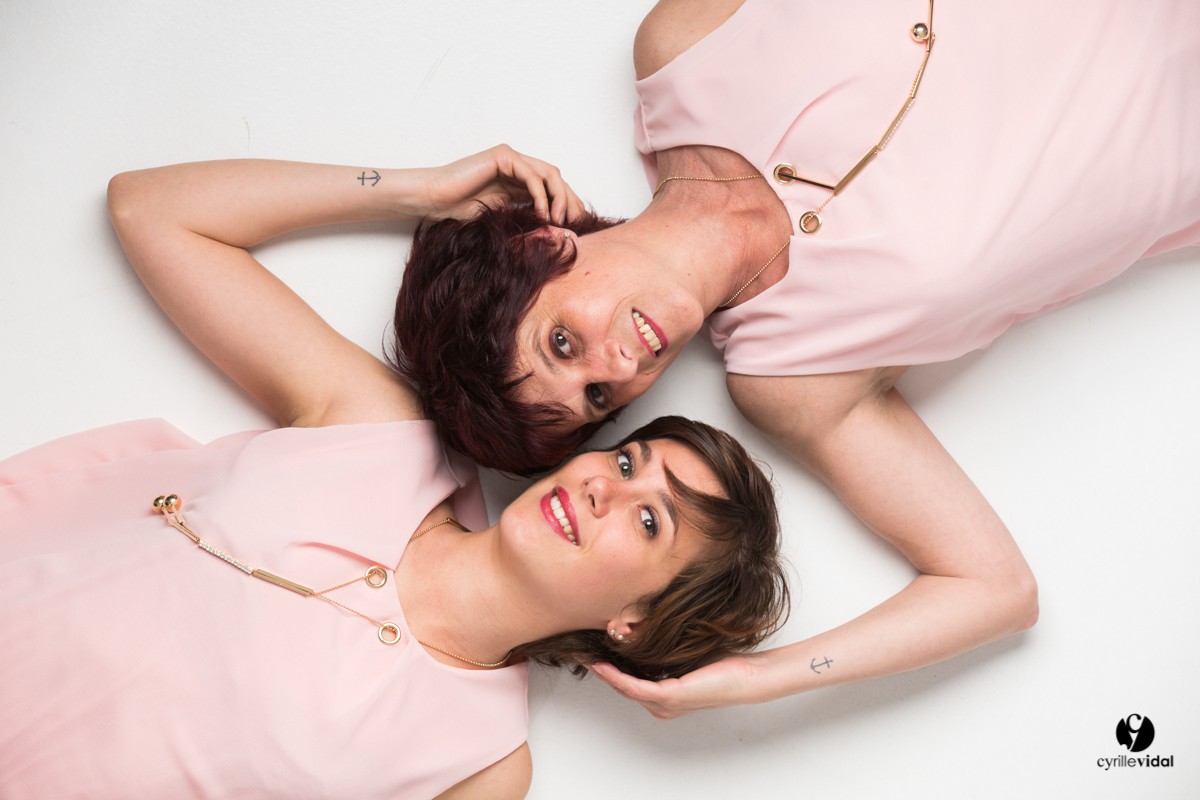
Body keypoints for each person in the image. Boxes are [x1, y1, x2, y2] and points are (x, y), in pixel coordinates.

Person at [395, 0, 1200, 716]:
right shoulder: (796, 373)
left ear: (541, 246)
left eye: (562, 342)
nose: (618, 366)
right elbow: (995, 590)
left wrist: (408, 190)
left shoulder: (683, 48)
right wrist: (757, 680)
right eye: (599, 397)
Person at [0, 154, 789, 798]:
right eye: (625, 461)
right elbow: (151, 208)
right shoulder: (375, 430)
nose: (603, 488)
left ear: (635, 622)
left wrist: (766, 685)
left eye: (650, 521)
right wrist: (416, 190)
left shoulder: (484, 767)